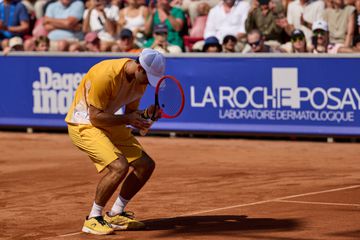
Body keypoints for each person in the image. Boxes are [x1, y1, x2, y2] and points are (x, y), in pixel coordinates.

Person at [65, 48, 165, 235]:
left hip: (109, 120)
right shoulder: (105, 75)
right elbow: (95, 118)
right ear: (139, 68)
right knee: (119, 166)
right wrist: (128, 119)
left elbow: (130, 114)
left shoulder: (140, 82)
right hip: (84, 123)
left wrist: (147, 116)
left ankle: (116, 214)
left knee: (145, 165)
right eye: (148, 77)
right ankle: (93, 218)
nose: (148, 83)